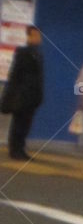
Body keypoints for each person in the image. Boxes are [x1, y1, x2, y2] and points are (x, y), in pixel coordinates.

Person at [2, 25, 44, 161]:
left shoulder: (38, 54)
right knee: (18, 123)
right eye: (35, 35)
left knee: (26, 124)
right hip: (22, 95)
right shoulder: (22, 52)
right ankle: (15, 150)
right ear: (29, 37)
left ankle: (21, 148)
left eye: (39, 36)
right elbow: (15, 74)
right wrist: (12, 93)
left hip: (32, 96)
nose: (38, 38)